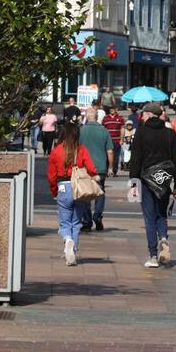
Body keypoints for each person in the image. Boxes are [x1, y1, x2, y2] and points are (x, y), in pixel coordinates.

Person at [128, 103, 176, 268]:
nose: (142, 117)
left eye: (143, 114)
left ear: (150, 114)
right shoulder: (170, 133)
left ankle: (152, 255)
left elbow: (136, 158)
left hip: (146, 179)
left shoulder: (142, 132)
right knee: (161, 213)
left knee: (149, 217)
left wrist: (133, 181)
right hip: (164, 180)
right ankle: (164, 238)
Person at [47, 121, 98, 266]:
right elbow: (92, 168)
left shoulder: (57, 150)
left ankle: (67, 240)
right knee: (76, 222)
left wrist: (54, 190)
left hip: (63, 187)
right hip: (79, 188)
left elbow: (51, 175)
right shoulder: (81, 149)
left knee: (65, 222)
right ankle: (73, 249)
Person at [78, 107, 115, 232]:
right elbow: (110, 151)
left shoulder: (81, 131)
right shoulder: (104, 131)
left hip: (85, 167)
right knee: (100, 192)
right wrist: (110, 167)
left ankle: (87, 221)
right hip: (100, 168)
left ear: (86, 117)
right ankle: (98, 216)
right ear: (97, 117)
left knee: (85, 194)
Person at [103, 105, 126, 176]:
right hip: (107, 141)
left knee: (116, 157)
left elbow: (122, 129)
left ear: (116, 109)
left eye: (113, 108)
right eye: (110, 109)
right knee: (106, 157)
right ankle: (107, 171)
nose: (112, 110)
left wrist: (122, 139)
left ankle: (114, 171)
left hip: (116, 141)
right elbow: (103, 129)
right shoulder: (105, 118)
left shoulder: (120, 118)